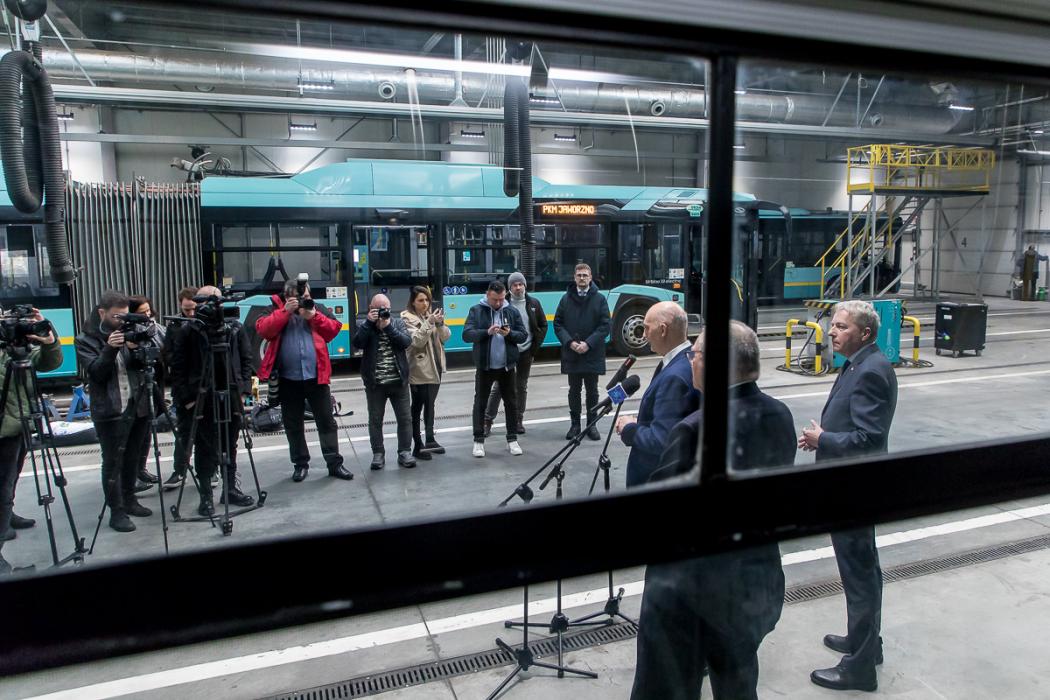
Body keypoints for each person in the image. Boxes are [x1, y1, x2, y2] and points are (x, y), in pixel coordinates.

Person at [631, 322, 793, 700]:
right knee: (738, 685)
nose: (691, 359)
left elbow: (659, 513)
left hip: (691, 595)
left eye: (697, 353)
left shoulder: (695, 429)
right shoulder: (780, 414)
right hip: (755, 584)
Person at [799, 299, 898, 692]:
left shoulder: (871, 370)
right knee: (862, 570)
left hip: (854, 488)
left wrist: (824, 439)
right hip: (851, 484)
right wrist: (823, 439)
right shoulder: (858, 363)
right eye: (834, 325)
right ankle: (865, 643)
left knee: (860, 575)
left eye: (842, 326)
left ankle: (860, 669)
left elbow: (867, 438)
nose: (832, 331)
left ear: (865, 333)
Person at [75, 291, 164, 533]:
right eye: (117, 316)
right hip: (110, 411)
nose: (121, 321)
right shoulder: (85, 340)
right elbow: (97, 373)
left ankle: (130, 500)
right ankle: (117, 511)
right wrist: (110, 349)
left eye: (125, 316)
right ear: (102, 313)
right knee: (113, 462)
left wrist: (136, 348)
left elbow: (146, 364)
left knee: (133, 458)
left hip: (137, 405)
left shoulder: (129, 331)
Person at [167, 286, 256, 516]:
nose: (211, 307)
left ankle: (231, 489)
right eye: (205, 302)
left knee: (230, 445)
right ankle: (206, 496)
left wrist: (245, 393)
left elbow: (246, 361)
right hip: (201, 398)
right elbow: (177, 368)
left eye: (215, 301)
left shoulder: (234, 328)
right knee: (204, 447)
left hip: (231, 394)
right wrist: (187, 400)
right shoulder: (189, 330)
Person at [257, 279, 352, 482]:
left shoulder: (317, 308)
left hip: (316, 377)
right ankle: (300, 464)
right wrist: (285, 312)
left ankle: (334, 463)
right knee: (293, 424)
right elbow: (263, 330)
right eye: (298, 298)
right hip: (288, 379)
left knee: (326, 422)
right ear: (286, 297)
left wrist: (314, 316)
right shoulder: (274, 308)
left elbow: (334, 330)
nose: (303, 301)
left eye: (306, 297)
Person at [0, 307, 61, 572]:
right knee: (2, 488)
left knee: (9, 482)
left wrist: (49, 340)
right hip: (4, 429)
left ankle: (7, 514)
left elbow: (49, 363)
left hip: (18, 426)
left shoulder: (14, 348)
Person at [615, 302, 699, 487]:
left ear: (662, 330)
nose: (644, 335)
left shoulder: (674, 377)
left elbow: (662, 441)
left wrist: (629, 428)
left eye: (647, 328)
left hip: (654, 479)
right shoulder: (687, 358)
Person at [462, 281, 527, 458]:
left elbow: (523, 335)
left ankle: (512, 439)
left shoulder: (511, 311)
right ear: (487, 295)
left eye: (501, 299)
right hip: (485, 366)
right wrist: (486, 332)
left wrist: (509, 334)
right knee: (480, 403)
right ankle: (478, 440)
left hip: (507, 366)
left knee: (511, 403)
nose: (498, 303)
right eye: (494, 300)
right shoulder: (476, 310)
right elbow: (466, 334)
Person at [352, 293, 416, 469]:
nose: (382, 312)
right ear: (370, 309)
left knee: (405, 419)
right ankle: (378, 454)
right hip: (375, 384)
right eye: (378, 309)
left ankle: (405, 452)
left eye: (385, 309)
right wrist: (368, 323)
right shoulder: (365, 325)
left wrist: (388, 327)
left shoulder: (397, 323)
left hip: (398, 381)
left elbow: (406, 342)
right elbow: (357, 343)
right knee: (375, 420)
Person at [483, 271, 547, 436]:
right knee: (499, 387)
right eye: (514, 285)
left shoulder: (534, 303)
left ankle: (518, 420)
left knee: (521, 386)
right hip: (507, 351)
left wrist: (534, 347)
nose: (518, 288)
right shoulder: (503, 303)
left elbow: (543, 325)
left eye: (520, 284)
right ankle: (487, 420)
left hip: (526, 352)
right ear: (509, 288)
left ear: (524, 285)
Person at [553, 263, 610, 441]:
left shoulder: (600, 299)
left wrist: (588, 343)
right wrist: (570, 343)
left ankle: (592, 425)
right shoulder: (566, 299)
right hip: (572, 353)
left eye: (585, 275)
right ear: (574, 278)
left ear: (591, 277)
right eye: (579, 275)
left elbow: (605, 325)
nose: (582, 278)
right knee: (574, 391)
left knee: (592, 391)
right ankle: (575, 425)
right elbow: (558, 324)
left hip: (592, 353)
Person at [400, 286, 450, 461]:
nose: (425, 303)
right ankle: (417, 444)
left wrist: (440, 323)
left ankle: (430, 439)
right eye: (420, 300)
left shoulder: (430, 316)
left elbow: (445, 337)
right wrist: (430, 322)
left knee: (430, 404)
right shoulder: (406, 318)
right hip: (419, 369)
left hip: (435, 366)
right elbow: (416, 341)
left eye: (427, 300)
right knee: (417, 406)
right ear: (413, 302)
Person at [161, 286, 198, 491]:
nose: (191, 313)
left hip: (203, 383)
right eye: (186, 309)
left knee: (209, 431)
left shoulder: (205, 322)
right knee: (183, 431)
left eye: (193, 309)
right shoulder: (174, 326)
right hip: (183, 385)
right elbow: (168, 356)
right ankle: (179, 470)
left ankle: (212, 470)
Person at [128, 295, 165, 490]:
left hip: (154, 381)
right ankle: (131, 474)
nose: (147, 315)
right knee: (136, 433)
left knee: (147, 430)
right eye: (142, 313)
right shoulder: (128, 332)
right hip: (137, 388)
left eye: (148, 311)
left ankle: (141, 469)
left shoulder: (156, 328)